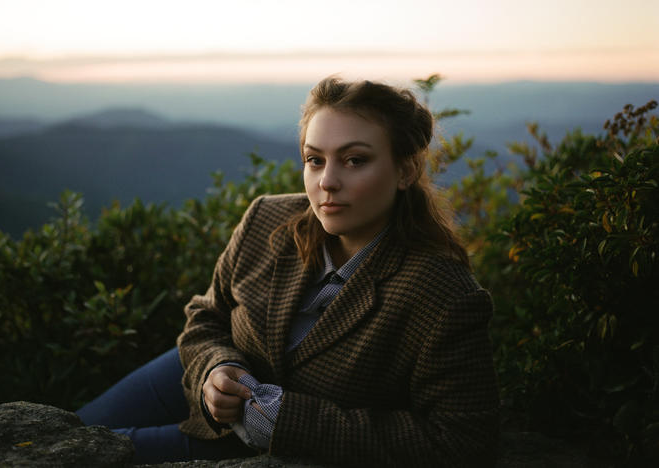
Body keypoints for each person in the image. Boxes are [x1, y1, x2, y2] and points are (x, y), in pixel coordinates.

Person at [77, 76, 500, 467]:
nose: (327, 182)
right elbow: (207, 314)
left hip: (251, 444)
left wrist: (289, 422)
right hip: (189, 376)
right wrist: (214, 368)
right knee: (70, 430)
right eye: (314, 160)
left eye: (354, 160)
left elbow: (459, 441)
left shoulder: (443, 296)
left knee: (80, 459)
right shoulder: (268, 217)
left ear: (406, 170)